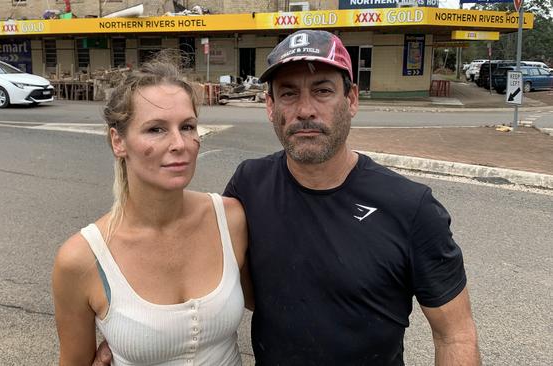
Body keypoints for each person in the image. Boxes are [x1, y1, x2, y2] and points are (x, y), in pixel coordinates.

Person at [94, 30, 479, 365]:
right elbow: (198, 265)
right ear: (270, 107)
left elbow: (455, 334)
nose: (305, 110)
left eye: (323, 90)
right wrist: (131, 333)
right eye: (288, 94)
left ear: (352, 100)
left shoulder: (410, 208)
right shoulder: (249, 184)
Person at [53, 54, 249, 365]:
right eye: (156, 129)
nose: (179, 144)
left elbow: (276, 302)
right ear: (118, 141)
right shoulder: (81, 259)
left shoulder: (231, 219)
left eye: (187, 126)